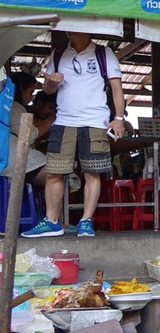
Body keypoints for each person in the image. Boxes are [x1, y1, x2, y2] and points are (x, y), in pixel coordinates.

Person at [22, 32, 126, 238]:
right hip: (63, 121)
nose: (70, 29)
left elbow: (117, 88)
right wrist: (52, 83)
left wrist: (119, 118)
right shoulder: (59, 53)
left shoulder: (104, 53)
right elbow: (48, 90)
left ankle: (86, 221)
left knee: (92, 173)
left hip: (95, 121)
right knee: (53, 172)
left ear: (88, 28)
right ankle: (53, 222)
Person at [2, 73, 49, 186]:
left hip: (10, 162)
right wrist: (51, 121)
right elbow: (28, 135)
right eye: (30, 92)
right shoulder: (14, 107)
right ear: (21, 89)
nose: (32, 97)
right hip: (16, 163)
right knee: (56, 176)